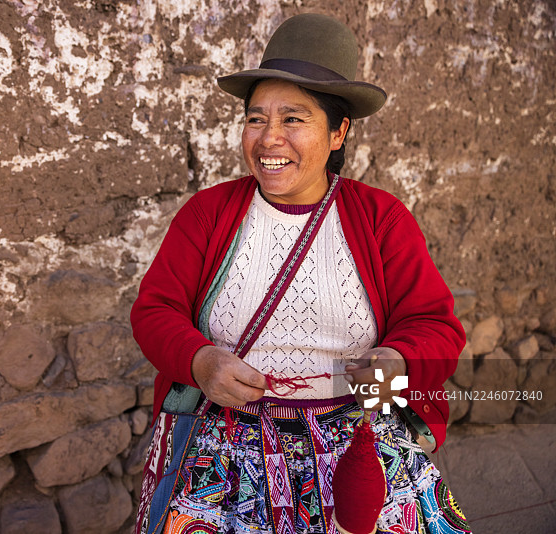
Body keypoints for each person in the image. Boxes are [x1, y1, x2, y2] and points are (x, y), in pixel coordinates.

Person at [130, 12, 471, 534]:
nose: (269, 139)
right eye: (256, 119)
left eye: (293, 119)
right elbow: (155, 310)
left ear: (338, 132)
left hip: (358, 442)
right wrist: (200, 361)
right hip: (223, 444)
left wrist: (397, 361)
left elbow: (437, 327)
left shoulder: (380, 219)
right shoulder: (208, 215)